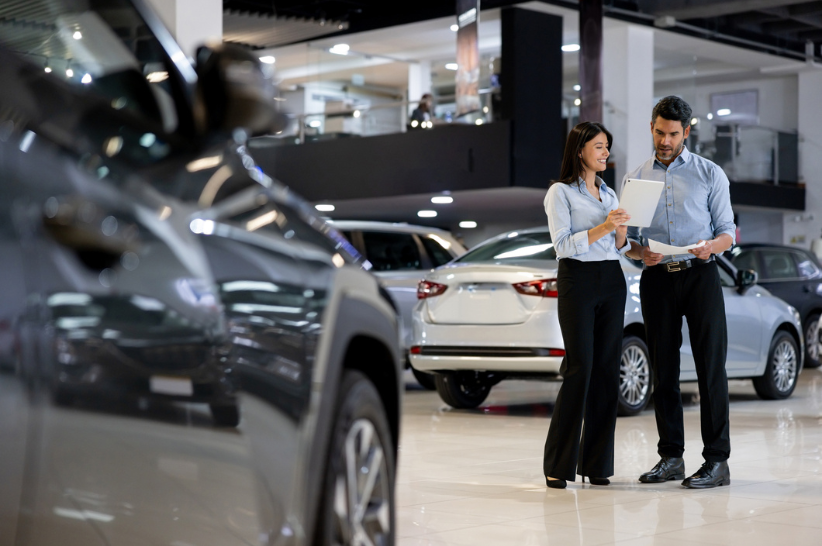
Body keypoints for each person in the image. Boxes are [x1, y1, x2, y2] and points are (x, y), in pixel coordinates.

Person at [625, 95, 736, 489]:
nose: (665, 141)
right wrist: (642, 255)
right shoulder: (637, 178)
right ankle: (670, 457)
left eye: (673, 134)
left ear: (686, 132)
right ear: (651, 128)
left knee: (711, 369)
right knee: (664, 369)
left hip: (701, 274)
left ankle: (717, 462)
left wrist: (712, 246)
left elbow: (728, 232)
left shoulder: (710, 174)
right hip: (657, 278)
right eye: (659, 132)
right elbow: (629, 240)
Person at [543, 121, 631, 489]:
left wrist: (622, 230)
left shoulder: (610, 195)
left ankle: (597, 465)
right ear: (580, 150)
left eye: (607, 146)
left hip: (612, 280)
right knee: (580, 368)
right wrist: (605, 228)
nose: (605, 152)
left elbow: (620, 246)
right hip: (577, 279)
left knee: (607, 372)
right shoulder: (560, 193)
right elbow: (563, 245)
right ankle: (557, 465)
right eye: (599, 146)